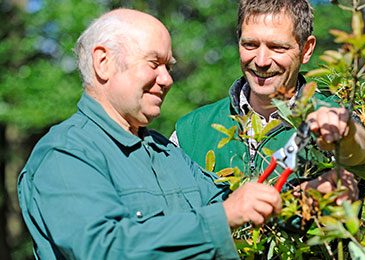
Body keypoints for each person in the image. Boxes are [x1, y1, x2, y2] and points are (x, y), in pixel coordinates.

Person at [17, 9, 283, 259]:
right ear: (103, 62)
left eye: (168, 66)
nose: (167, 79)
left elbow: (231, 203)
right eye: (154, 63)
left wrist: (309, 191)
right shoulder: (66, 153)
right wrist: (222, 217)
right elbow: (103, 250)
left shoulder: (165, 151)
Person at [172, 0, 365, 202]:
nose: (261, 61)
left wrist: (345, 132)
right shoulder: (191, 130)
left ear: (307, 50)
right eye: (250, 44)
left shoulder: (334, 114)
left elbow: (361, 151)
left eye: (277, 47)